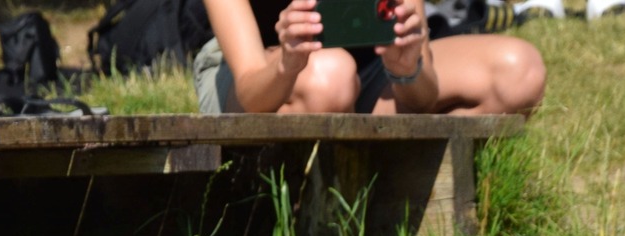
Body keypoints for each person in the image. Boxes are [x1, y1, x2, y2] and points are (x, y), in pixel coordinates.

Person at [192, 0, 545, 116]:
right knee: (330, 78)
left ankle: (395, 176)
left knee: (520, 72)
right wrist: (285, 63)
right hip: (256, 77)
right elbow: (252, 92)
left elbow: (423, 95)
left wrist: (408, 70)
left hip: (367, 69)